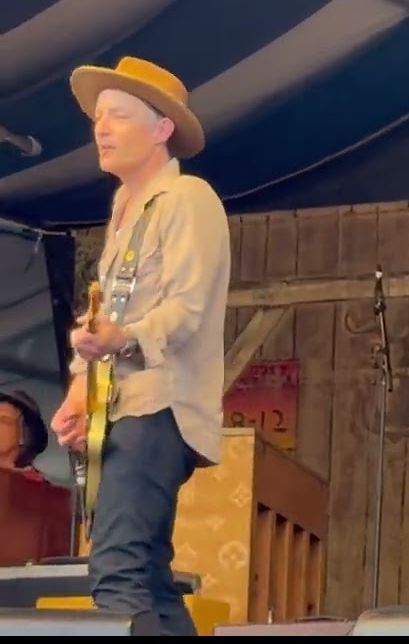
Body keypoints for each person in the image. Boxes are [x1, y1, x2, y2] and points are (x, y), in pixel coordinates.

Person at [49, 56, 232, 637]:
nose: (101, 128)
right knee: (147, 577)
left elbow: (187, 309)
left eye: (120, 116)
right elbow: (111, 314)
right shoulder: (126, 209)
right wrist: (81, 387)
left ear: (162, 130)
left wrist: (119, 338)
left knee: (117, 572)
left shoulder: (188, 198)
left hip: (159, 406)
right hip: (125, 406)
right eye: (99, 117)